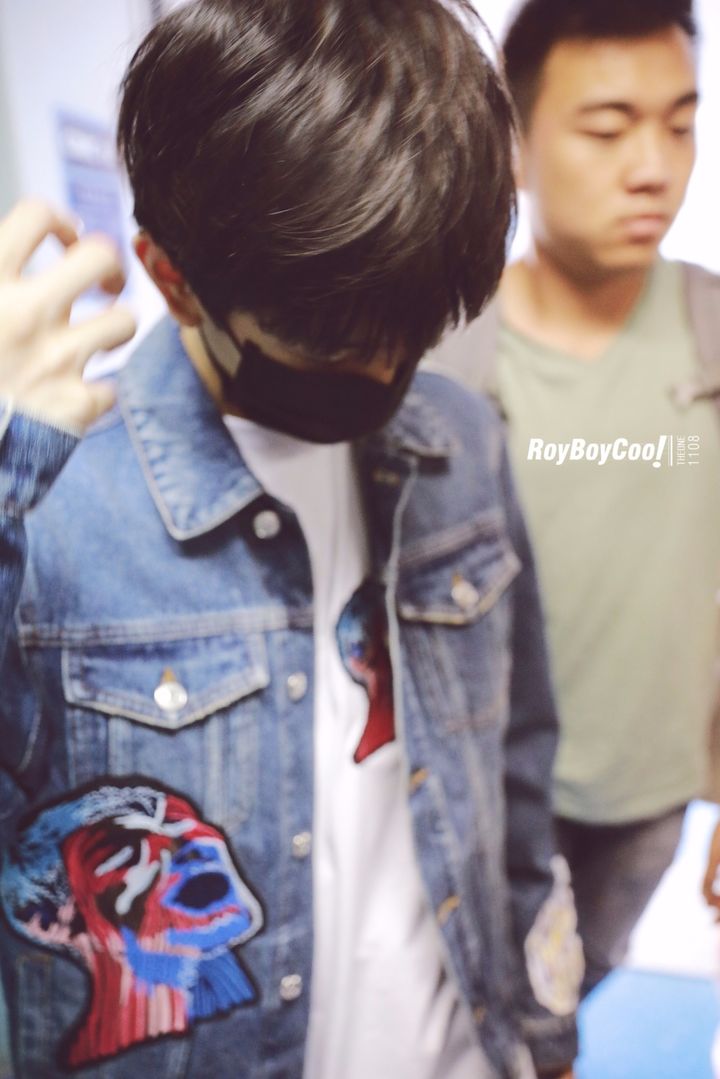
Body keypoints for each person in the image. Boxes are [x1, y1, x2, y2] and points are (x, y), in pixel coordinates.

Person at [0, 2, 583, 1077]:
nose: (384, 376)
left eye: (409, 339)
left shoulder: (460, 439)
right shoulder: (54, 508)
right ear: (172, 279)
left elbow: (517, 772)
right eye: (336, 348)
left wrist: (546, 1033)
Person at [430, 0, 720, 997]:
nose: (653, 167)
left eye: (679, 125)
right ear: (515, 145)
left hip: (650, 795)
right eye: (607, 129)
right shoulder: (443, 360)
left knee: (575, 995)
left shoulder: (711, 332)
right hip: (481, 797)